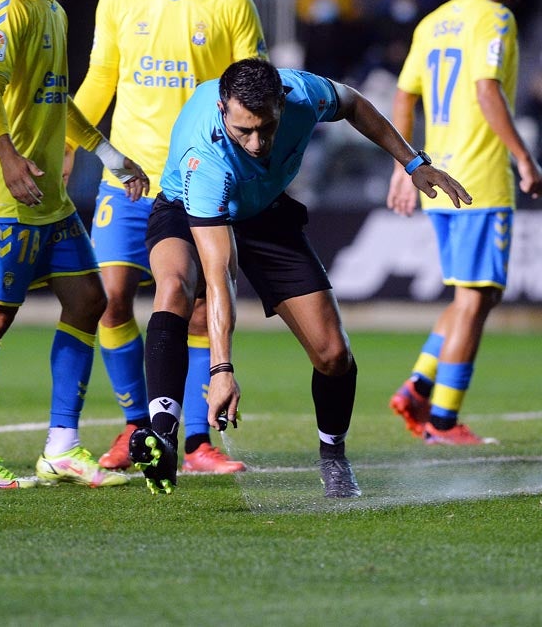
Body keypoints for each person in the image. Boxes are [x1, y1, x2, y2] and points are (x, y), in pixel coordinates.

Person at [127, 58, 472, 497]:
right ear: (221, 109)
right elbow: (220, 276)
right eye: (243, 131)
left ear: (282, 104)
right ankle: (161, 433)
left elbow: (354, 104)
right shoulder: (206, 156)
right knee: (176, 285)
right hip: (188, 207)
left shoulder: (305, 93)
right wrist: (222, 369)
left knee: (334, 355)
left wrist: (412, 162)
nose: (256, 144)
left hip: (265, 209)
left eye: (266, 128)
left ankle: (333, 455)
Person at [0, 0, 147, 490]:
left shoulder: (55, 12)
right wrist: (8, 157)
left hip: (50, 199)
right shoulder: (5, 7)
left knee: (89, 300)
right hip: (3, 191)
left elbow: (58, 101)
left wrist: (109, 155)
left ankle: (62, 447)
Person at [74, 0, 265, 476]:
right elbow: (100, 79)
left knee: (199, 306)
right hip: (128, 179)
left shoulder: (230, 3)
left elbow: (254, 88)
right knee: (109, 300)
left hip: (197, 184)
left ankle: (198, 440)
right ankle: (139, 425)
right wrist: (70, 147)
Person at [386, 0, 542, 445]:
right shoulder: (495, 18)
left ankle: (418, 387)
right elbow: (486, 91)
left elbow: (404, 95)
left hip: (440, 179)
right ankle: (443, 421)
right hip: (479, 179)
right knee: (475, 300)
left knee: (472, 295)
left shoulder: (434, 21)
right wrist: (524, 158)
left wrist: (406, 165)